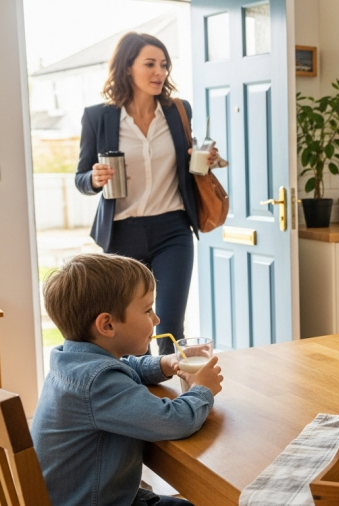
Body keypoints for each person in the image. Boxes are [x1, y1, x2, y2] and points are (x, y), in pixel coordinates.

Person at [32, 253, 224, 506]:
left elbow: (124, 366)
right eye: (147, 310)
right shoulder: (98, 383)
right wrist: (202, 389)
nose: (156, 320)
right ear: (107, 325)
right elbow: (174, 422)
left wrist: (163, 364)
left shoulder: (73, 361)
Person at [74, 32, 222, 355]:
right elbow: (81, 178)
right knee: (130, 332)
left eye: (164, 65)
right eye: (150, 64)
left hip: (173, 230)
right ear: (128, 67)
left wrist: (206, 159)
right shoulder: (98, 116)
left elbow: (191, 164)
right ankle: (137, 399)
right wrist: (95, 179)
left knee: (169, 324)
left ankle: (177, 401)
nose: (160, 72)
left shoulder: (178, 110)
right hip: (122, 234)